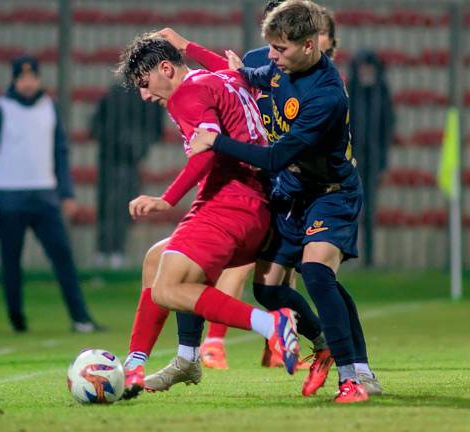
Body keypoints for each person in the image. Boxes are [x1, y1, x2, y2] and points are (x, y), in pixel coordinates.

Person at [189, 0, 380, 402]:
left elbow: (276, 157)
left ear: (310, 45)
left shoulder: (327, 96)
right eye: (272, 48)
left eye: (281, 50)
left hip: (331, 195)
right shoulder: (282, 66)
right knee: (269, 290)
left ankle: (353, 378)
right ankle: (329, 343)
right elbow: (254, 75)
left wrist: (216, 141)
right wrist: (223, 73)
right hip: (292, 195)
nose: (272, 57)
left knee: (315, 272)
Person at [114, 34, 300, 400]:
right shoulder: (221, 77)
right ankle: (152, 363)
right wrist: (186, 44)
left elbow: (208, 151)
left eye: (145, 84)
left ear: (165, 68)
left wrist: (166, 199)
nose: (145, 95)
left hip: (229, 204)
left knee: (169, 288)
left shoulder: (185, 95)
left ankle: (272, 324)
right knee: (157, 261)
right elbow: (229, 68)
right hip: (256, 204)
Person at [0, 55, 100, 333]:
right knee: (11, 261)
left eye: (32, 77)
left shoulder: (49, 108)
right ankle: (17, 319)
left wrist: (66, 193)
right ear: (14, 80)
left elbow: (60, 153)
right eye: (22, 78)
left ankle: (81, 318)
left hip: (45, 195)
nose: (28, 83)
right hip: (8, 196)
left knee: (63, 256)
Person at [90, 82, 164, 269]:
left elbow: (155, 129)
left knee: (122, 205)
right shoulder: (115, 92)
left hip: (129, 161)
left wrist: (138, 147)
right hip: (110, 158)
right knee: (107, 205)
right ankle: (105, 251)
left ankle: (115, 251)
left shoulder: (147, 95)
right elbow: (95, 125)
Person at [348, 50, 394, 266]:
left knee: (370, 210)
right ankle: (347, 255)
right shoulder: (350, 93)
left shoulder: (381, 94)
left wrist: (383, 161)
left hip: (373, 159)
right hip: (352, 160)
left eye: (370, 68)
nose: (366, 72)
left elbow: (387, 129)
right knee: (350, 209)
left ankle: (369, 259)